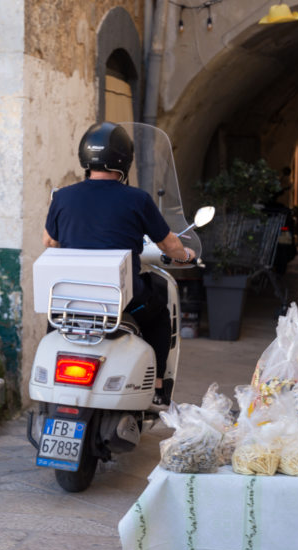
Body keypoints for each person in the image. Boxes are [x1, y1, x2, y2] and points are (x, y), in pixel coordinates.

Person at [43, 122, 196, 406]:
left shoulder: (62, 197)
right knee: (159, 314)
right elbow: (168, 244)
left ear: (85, 158)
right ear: (125, 159)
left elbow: (49, 242)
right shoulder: (137, 199)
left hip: (72, 297)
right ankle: (158, 385)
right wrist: (187, 256)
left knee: (58, 320)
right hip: (124, 301)